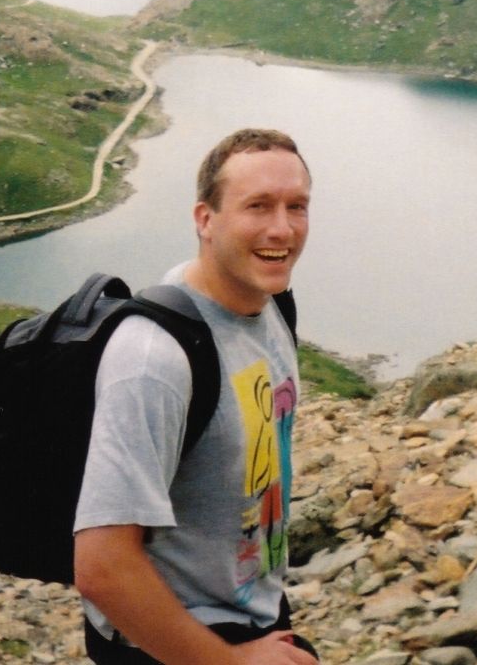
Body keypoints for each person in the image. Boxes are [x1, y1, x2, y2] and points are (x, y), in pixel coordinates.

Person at [74, 128, 319, 665]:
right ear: (205, 219)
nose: (283, 228)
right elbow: (102, 567)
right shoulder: (153, 358)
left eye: (296, 206)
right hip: (170, 643)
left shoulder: (271, 306)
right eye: (258, 206)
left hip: (250, 616)